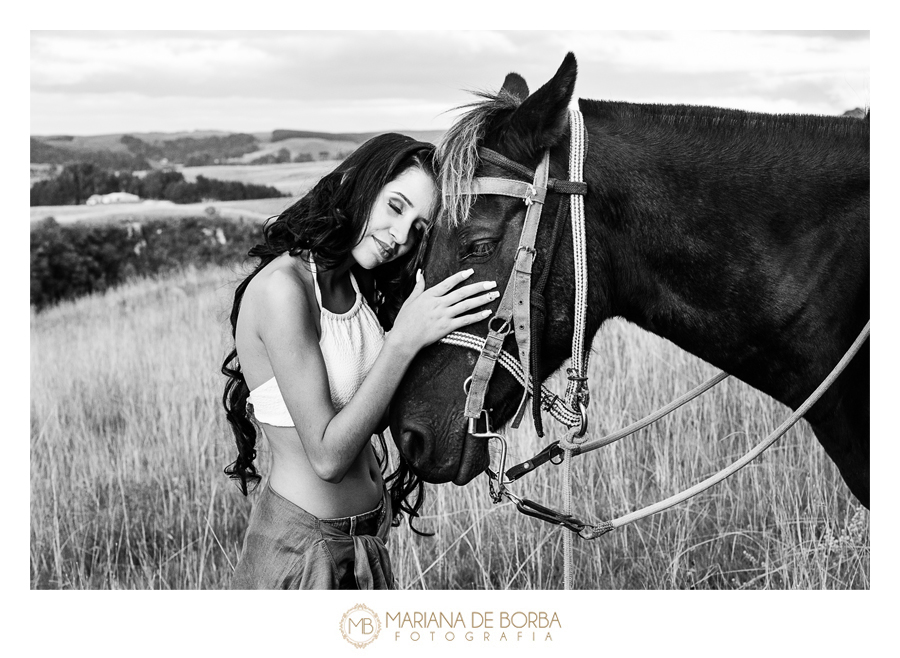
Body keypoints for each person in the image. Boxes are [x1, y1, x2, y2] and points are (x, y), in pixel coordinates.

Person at [221, 133, 497, 589]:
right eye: (395, 206)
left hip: (363, 543)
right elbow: (327, 457)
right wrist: (402, 342)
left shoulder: (356, 286)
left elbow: (378, 406)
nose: (400, 236)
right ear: (361, 183)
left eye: (419, 228)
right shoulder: (284, 290)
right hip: (304, 548)